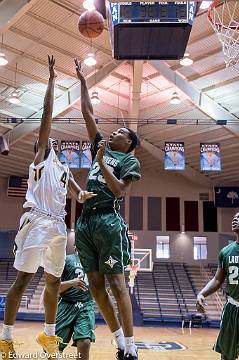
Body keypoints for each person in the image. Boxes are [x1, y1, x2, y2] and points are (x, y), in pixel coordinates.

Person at [0, 56, 96, 359]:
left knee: (53, 280)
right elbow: (46, 116)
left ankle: (49, 335)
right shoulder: (40, 157)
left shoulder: (62, 168)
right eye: (47, 137)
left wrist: (81, 195)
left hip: (58, 225)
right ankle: (6, 339)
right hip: (37, 222)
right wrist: (53, 80)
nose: (51, 137)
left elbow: (73, 188)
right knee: (24, 279)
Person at [74, 59, 141, 360]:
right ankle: (119, 343)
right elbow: (88, 113)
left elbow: (119, 191)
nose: (114, 132)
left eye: (121, 132)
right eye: (114, 131)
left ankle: (132, 344)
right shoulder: (100, 143)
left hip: (108, 220)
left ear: (129, 143)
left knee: (116, 282)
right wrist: (83, 81)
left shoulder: (129, 161)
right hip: (85, 222)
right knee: (96, 285)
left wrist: (101, 162)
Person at [196, 211, 239, 360]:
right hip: (232, 308)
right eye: (234, 218)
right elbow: (217, 280)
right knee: (226, 355)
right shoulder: (226, 252)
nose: (235, 219)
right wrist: (202, 293)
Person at [56, 248, 95, 360]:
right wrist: (71, 283)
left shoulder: (95, 262)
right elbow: (53, 287)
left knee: (85, 342)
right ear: (76, 246)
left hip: (86, 305)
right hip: (66, 305)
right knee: (53, 348)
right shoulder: (66, 259)